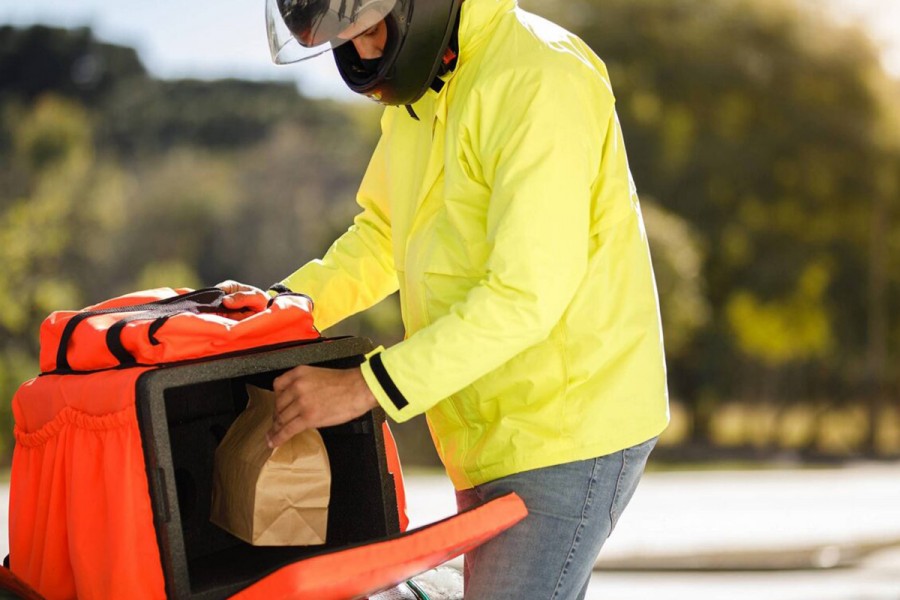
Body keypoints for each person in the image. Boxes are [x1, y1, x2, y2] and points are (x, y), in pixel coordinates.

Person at [220, 0, 669, 597]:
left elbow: (525, 294)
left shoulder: (540, 77)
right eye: (344, 40)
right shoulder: (426, 89)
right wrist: (280, 308)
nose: (363, 53)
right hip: (488, 427)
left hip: (569, 422)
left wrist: (362, 386)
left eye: (371, 30)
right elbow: (383, 237)